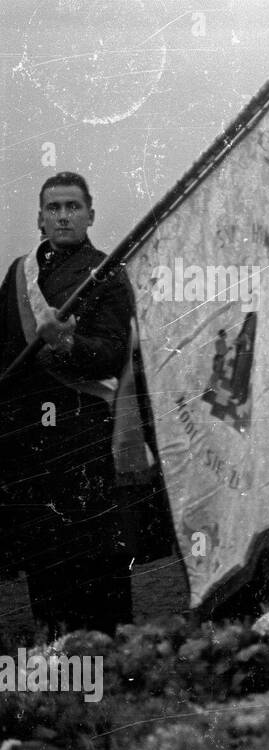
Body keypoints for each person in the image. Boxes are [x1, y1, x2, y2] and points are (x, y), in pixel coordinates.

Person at [0, 171, 133, 635]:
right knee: (44, 552)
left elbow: (115, 353)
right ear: (39, 217)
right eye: (53, 208)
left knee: (92, 550)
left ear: (90, 215)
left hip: (83, 434)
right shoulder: (19, 274)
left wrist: (69, 345)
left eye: (73, 207)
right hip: (30, 439)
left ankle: (104, 653)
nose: (63, 216)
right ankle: (52, 645)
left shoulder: (108, 271)